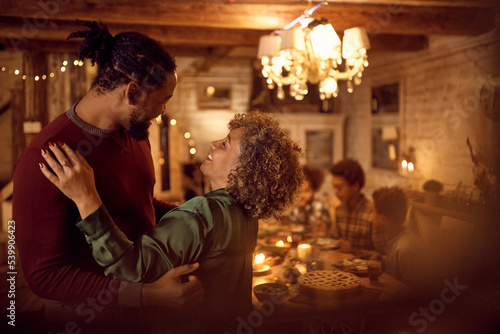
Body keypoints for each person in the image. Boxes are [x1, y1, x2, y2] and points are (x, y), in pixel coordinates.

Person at [12, 20, 202, 330]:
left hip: (143, 304)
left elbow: (137, 204)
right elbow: (45, 277)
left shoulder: (135, 131)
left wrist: (202, 216)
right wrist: (147, 295)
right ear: (132, 93)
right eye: (162, 101)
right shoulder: (45, 158)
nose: (162, 112)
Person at [39, 110, 304, 333]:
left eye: (225, 144)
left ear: (245, 170)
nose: (213, 143)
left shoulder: (204, 211)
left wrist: (86, 198)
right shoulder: (245, 215)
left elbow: (130, 271)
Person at [371, 186, 428, 287]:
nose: (370, 215)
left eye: (373, 211)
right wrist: (382, 259)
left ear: (383, 219)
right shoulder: (396, 238)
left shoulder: (405, 250)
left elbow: (414, 292)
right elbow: (397, 268)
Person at [330, 159, 387, 255]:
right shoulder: (339, 210)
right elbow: (335, 241)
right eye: (334, 188)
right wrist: (323, 235)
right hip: (341, 266)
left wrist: (355, 251)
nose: (335, 192)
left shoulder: (372, 214)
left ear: (355, 186)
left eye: (339, 188)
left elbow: (383, 255)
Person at [281, 164, 332, 238]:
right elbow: (291, 226)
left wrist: (321, 226)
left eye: (306, 191)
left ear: (314, 191)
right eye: (299, 191)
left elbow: (323, 231)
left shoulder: (319, 207)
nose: (302, 195)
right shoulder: (296, 208)